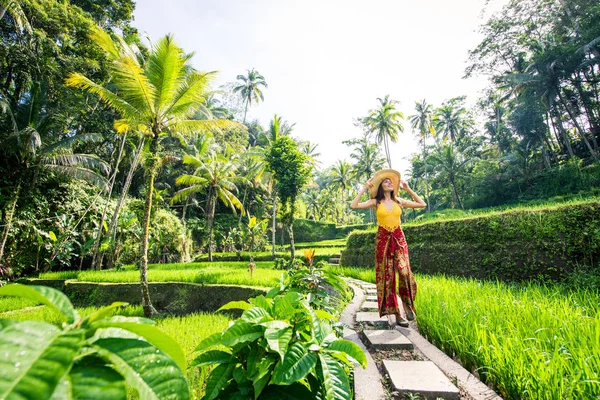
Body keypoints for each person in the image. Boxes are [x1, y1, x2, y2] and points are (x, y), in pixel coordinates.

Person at [350, 169, 426, 327]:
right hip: (383, 240)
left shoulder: (399, 201)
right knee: (388, 276)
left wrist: (408, 189)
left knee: (404, 272)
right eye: (386, 181)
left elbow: (422, 204)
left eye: (391, 181)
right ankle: (397, 314)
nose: (390, 183)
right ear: (380, 187)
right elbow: (354, 205)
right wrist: (364, 188)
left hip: (399, 238)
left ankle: (407, 305)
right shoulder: (375, 202)